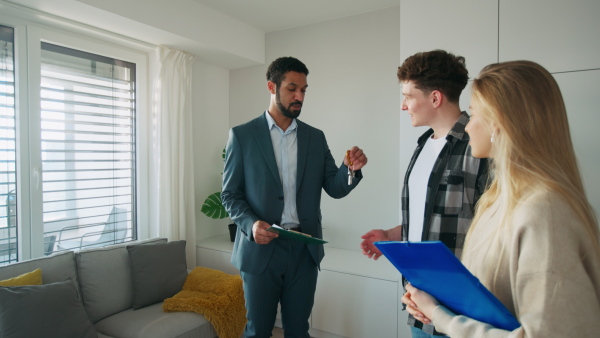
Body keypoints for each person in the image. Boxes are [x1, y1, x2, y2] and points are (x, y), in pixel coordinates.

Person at [402, 60, 600, 337]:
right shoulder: (498, 200)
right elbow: (486, 297)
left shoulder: (545, 212)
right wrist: (435, 307)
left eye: (473, 114)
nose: (467, 126)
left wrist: (439, 316)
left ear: (499, 122)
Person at [221, 56, 367, 338]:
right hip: (260, 250)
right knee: (258, 331)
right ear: (271, 87)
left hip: (304, 250)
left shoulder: (315, 137)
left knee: (299, 330)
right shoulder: (242, 136)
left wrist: (349, 170)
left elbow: (334, 187)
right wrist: (251, 225)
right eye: (292, 89)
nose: (299, 96)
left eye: (304, 90)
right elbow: (230, 194)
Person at [360, 50, 489, 337]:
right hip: (419, 304)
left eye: (408, 96)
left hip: (460, 313)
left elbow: (493, 235)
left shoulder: (479, 147)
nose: (403, 106)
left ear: (435, 98)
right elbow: (429, 216)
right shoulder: (422, 145)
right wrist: (393, 236)